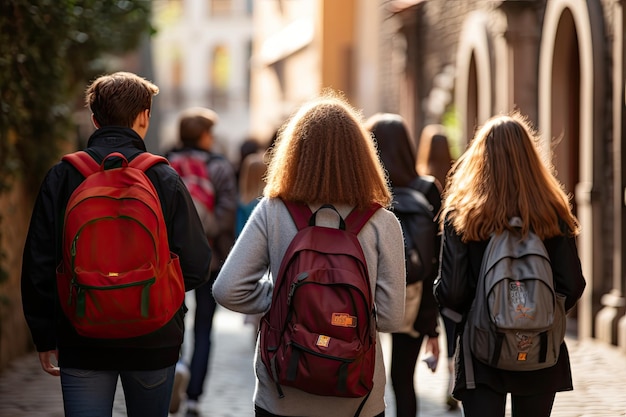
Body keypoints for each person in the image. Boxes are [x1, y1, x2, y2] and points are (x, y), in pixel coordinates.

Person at [20, 71, 212, 417]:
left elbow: (39, 262)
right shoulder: (163, 177)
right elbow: (197, 266)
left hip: (82, 334)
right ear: (144, 117)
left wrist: (45, 335)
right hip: (154, 337)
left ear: (94, 120)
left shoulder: (63, 176)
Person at [212, 92, 406, 417]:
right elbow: (390, 318)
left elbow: (227, 289)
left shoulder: (272, 212)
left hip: (282, 392)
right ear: (361, 155)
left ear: (294, 152)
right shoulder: (382, 223)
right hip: (357, 397)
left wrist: (284, 300)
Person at [433, 112, 586, 417]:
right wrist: (533, 314)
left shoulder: (462, 216)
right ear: (531, 158)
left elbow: (452, 292)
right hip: (541, 348)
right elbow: (573, 283)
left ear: (479, 160)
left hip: (481, 350)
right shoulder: (553, 213)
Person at [365, 113, 441, 417]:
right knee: (403, 379)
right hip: (416, 294)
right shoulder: (427, 189)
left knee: (365, 376)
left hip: (368, 289)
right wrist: (431, 323)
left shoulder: (365, 190)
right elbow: (436, 257)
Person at [166, 106, 238, 415]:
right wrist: (206, 227)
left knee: (170, 320)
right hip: (211, 259)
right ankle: (194, 396)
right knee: (204, 328)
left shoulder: (165, 164)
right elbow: (227, 213)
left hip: (170, 260)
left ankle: (176, 367)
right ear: (205, 135)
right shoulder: (220, 168)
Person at [415, 123, 459, 411]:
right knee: (454, 327)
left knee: (439, 326)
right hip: (453, 265)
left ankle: (450, 379)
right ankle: (453, 379)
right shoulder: (458, 180)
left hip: (428, 269)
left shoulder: (422, 183)